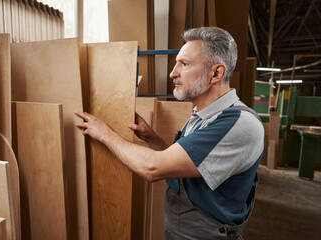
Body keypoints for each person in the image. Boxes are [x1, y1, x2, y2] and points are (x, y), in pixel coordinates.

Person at [74, 26, 264, 240]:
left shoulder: (237, 124)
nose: (173, 73)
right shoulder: (203, 115)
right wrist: (151, 138)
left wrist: (104, 133)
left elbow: (153, 168)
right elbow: (183, 165)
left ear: (216, 73)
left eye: (184, 64)